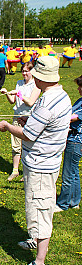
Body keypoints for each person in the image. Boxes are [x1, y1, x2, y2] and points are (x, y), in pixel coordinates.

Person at [0, 56, 72, 265]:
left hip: (41, 165)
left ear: (45, 78)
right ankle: (34, 238)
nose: (34, 80)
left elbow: (28, 135)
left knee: (40, 209)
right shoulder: (62, 95)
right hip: (46, 162)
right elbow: (46, 126)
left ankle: (39, 263)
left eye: (37, 76)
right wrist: (30, 120)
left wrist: (8, 127)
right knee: (36, 206)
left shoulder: (47, 102)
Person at [1, 62, 41, 181]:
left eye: (26, 71)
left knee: (28, 146)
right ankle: (15, 171)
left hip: (30, 119)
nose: (24, 73)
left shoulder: (36, 85)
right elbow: (12, 101)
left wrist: (18, 94)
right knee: (16, 145)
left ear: (32, 72)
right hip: (17, 117)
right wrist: (7, 93)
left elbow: (30, 102)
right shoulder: (19, 83)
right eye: (23, 71)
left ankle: (27, 172)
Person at [55, 75, 82, 212]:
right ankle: (74, 200)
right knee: (74, 171)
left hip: (76, 141)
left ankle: (63, 203)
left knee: (68, 173)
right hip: (72, 139)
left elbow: (72, 117)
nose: (78, 89)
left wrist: (54, 116)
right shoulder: (80, 100)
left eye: (80, 86)